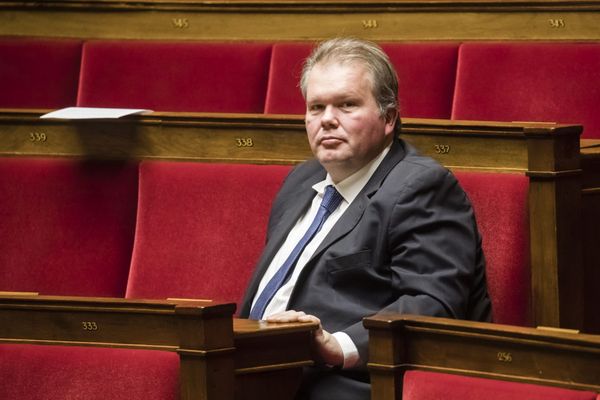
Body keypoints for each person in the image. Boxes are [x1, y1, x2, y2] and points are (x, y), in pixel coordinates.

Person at [240, 37, 491, 400]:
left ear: (388, 117)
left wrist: (336, 345)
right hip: (256, 371)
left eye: (346, 105)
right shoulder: (300, 181)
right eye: (316, 107)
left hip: (351, 383)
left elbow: (433, 305)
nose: (327, 119)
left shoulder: (420, 187)